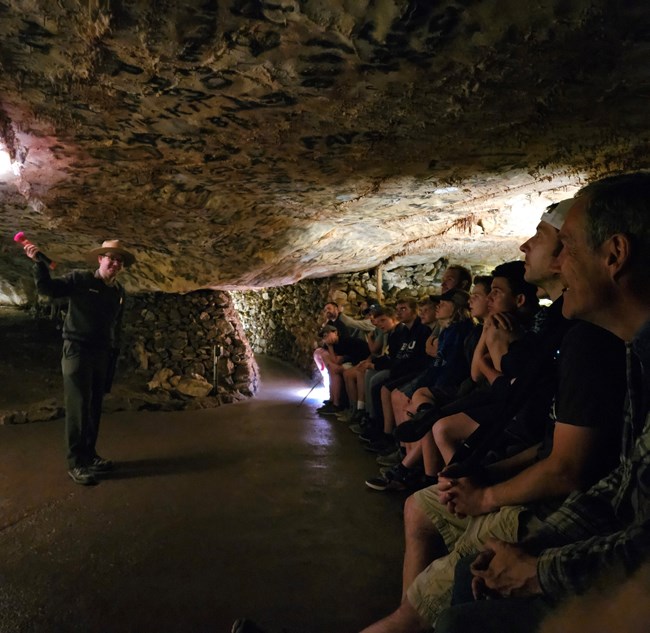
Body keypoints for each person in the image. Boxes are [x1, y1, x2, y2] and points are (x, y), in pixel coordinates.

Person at [436, 172, 650, 633]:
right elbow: (623, 484)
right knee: (471, 582)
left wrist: (537, 569)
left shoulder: (598, 348)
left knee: (461, 622)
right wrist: (540, 546)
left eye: (566, 246)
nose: (557, 262)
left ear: (614, 255)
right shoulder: (637, 352)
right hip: (612, 549)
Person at [23, 238, 136, 486]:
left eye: (119, 261)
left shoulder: (118, 293)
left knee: (94, 405)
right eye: (111, 258)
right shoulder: (81, 280)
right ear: (100, 259)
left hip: (102, 354)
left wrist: (113, 355)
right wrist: (38, 264)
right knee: (78, 405)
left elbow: (116, 326)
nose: (115, 263)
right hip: (77, 349)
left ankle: (90, 455)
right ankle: (76, 463)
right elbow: (48, 290)